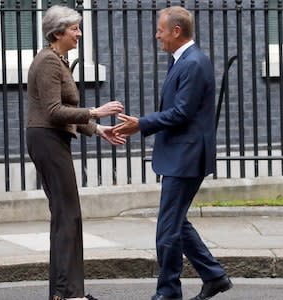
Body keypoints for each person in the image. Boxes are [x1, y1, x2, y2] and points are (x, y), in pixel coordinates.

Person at [113, 6, 232, 300]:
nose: (157, 36)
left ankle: (168, 292)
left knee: (167, 228)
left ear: (176, 31)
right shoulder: (185, 60)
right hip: (183, 154)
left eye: (160, 30)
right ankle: (214, 276)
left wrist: (142, 124)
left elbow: (181, 113)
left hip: (186, 157)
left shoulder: (192, 63)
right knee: (177, 222)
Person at [26, 5, 125, 300]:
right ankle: (67, 293)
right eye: (74, 29)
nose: (79, 34)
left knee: (66, 215)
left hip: (53, 139)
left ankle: (65, 292)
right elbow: (54, 112)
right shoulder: (48, 62)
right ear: (57, 33)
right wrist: (96, 111)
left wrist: (98, 129)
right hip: (47, 139)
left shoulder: (58, 60)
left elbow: (64, 115)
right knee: (67, 215)